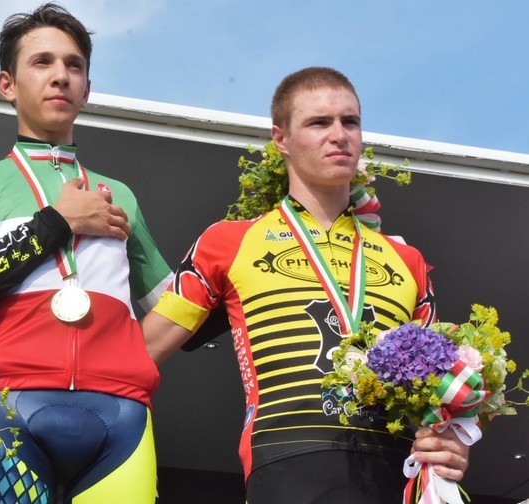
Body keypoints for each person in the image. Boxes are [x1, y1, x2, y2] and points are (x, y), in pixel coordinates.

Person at [142, 67, 470, 503]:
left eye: (350, 122)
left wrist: (451, 442)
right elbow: (140, 355)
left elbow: (438, 391)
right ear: (281, 138)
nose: (339, 135)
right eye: (319, 122)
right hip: (285, 462)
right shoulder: (227, 241)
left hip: (392, 470)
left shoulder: (407, 260)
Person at [0, 3, 172, 502]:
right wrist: (59, 223)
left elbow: (175, 306)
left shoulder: (120, 195)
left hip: (121, 412)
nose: (60, 75)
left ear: (87, 89)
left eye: (73, 65)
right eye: (42, 62)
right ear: (7, 84)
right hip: (6, 408)